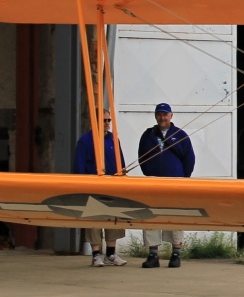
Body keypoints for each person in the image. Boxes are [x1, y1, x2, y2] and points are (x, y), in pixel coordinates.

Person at [137, 102, 195, 269]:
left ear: (171, 116)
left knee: (175, 216)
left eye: (165, 114)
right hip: (153, 182)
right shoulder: (148, 135)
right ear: (156, 116)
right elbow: (142, 157)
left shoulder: (180, 135)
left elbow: (189, 159)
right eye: (159, 114)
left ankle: (175, 253)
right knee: (150, 216)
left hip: (175, 184)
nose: (162, 117)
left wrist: (183, 178)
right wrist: (149, 173)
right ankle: (153, 254)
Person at [73, 110, 128, 267]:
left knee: (113, 218)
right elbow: (79, 165)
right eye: (104, 120)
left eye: (108, 119)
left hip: (112, 186)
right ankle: (96, 254)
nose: (107, 122)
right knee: (94, 220)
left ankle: (111, 253)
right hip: (93, 186)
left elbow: (121, 162)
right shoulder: (85, 140)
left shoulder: (113, 139)